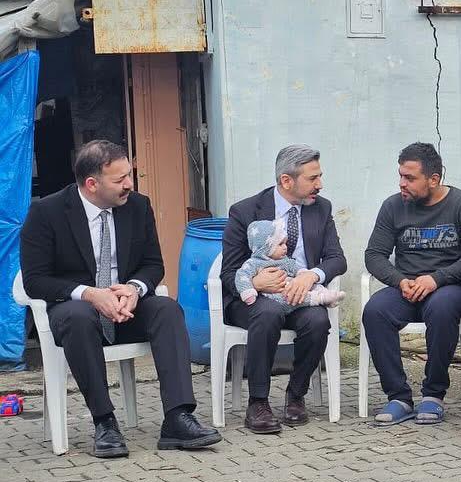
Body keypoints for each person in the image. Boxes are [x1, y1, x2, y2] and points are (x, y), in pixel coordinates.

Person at [20, 140, 221, 457]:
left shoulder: (138, 206)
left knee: (167, 309)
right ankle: (105, 423)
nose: (129, 184)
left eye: (129, 174)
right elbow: (35, 280)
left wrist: (135, 289)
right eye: (120, 179)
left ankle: (178, 418)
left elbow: (153, 264)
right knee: (78, 316)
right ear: (92, 184)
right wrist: (90, 294)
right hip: (75, 314)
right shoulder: (47, 212)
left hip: (127, 310)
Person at [222, 145, 347, 434]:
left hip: (300, 295)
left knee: (318, 321)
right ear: (286, 180)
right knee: (268, 313)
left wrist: (311, 276)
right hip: (254, 299)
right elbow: (228, 271)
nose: (320, 184)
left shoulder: (321, 208)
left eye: (320, 176)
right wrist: (255, 283)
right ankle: (258, 402)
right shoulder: (245, 211)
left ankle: (296, 394)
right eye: (313, 178)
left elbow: (337, 258)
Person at [363, 143, 461, 426]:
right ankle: (399, 397)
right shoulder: (393, 206)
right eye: (400, 176)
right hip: (405, 287)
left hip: (447, 286)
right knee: (375, 311)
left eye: (410, 178)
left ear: (433, 179)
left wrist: (436, 279)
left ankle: (433, 394)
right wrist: (399, 281)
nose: (402, 183)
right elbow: (374, 255)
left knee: (442, 309)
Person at [235, 220, 345, 309]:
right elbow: (242, 276)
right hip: (278, 296)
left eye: (285, 243)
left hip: (293, 285)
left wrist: (305, 274)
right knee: (294, 297)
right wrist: (249, 291)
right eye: (280, 244)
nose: (285, 247)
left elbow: (294, 267)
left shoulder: (284, 260)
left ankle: (327, 294)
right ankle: (320, 299)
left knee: (311, 287)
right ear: (266, 248)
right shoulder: (253, 263)